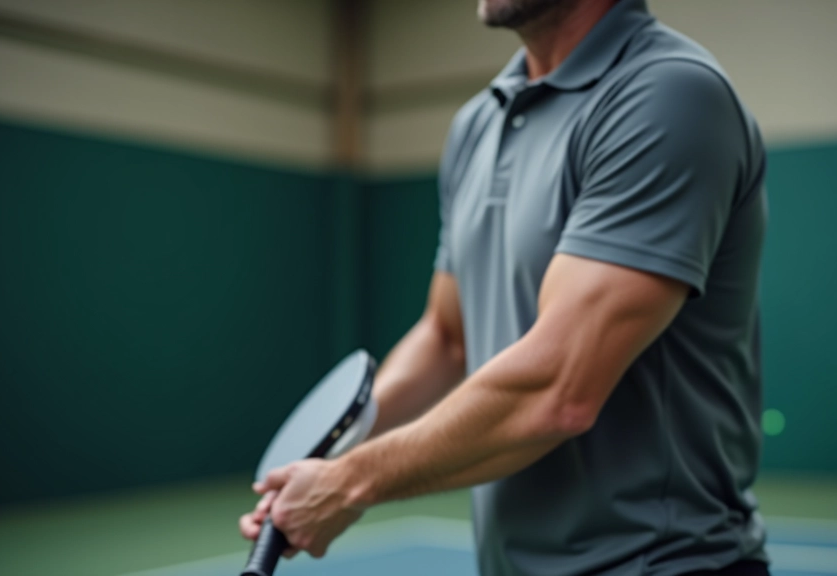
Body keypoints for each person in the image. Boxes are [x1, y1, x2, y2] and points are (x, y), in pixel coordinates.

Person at [241, 0, 769, 574]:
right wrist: (334, 460)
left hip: (661, 563)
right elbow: (447, 338)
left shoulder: (669, 94)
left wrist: (349, 484)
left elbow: (559, 389)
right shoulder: (478, 122)